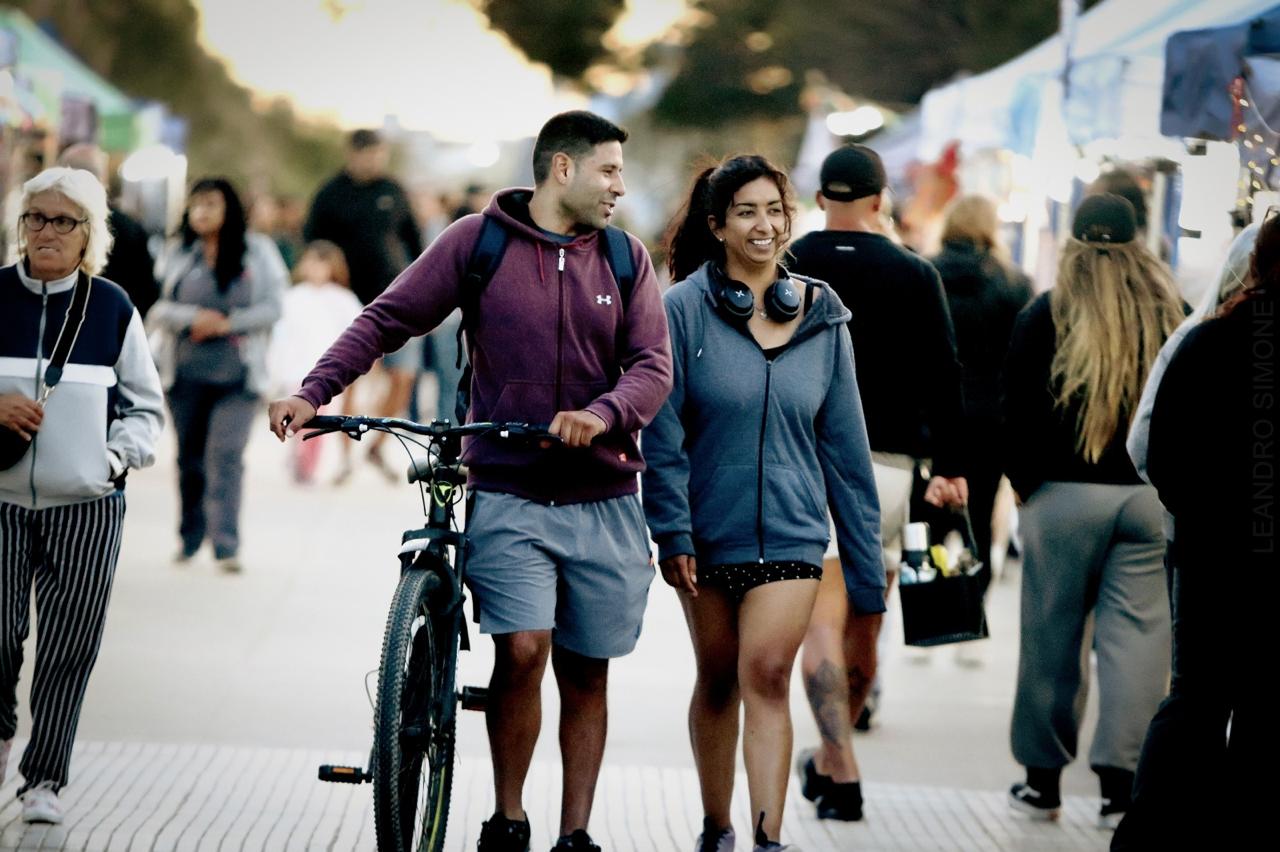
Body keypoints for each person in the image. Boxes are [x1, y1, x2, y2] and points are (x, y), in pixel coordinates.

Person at [268, 110, 672, 852]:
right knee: (521, 650)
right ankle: (508, 816)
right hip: (509, 488)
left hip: (605, 496)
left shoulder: (624, 258)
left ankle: (575, 833)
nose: (619, 185)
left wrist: (604, 413)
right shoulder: (475, 243)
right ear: (562, 169)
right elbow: (387, 320)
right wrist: (313, 391)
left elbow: (653, 365)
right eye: (609, 170)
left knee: (587, 671)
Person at [643, 155, 882, 852]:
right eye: (746, 211)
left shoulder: (824, 315)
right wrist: (672, 533)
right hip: (706, 536)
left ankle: (766, 838)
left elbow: (847, 450)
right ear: (717, 226)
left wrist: (866, 576)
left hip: (793, 534)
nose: (765, 224)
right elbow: (662, 439)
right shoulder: (680, 311)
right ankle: (717, 828)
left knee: (768, 674)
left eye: (775, 210)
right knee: (717, 679)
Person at [786, 144, 967, 815]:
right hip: (892, 469)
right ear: (879, 198)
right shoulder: (916, 273)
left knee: (820, 625)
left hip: (809, 463)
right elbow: (945, 376)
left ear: (821, 196)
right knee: (868, 618)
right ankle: (836, 763)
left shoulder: (792, 262)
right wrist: (950, 467)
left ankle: (840, 763)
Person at [1001, 194, 1184, 829]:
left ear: (1074, 243)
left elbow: (1014, 411)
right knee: (1139, 643)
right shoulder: (1171, 312)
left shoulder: (1044, 313)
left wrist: (1027, 487)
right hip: (1146, 497)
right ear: (1138, 243)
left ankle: (1042, 784)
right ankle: (1119, 790)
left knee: (1050, 640)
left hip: (1062, 496)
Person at [0, 166, 164, 823]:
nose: (46, 231)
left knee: (69, 646)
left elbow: (145, 410)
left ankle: (45, 780)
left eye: (62, 220)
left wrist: (111, 460)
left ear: (87, 233)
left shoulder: (112, 307)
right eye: (35, 217)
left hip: (87, 506)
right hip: (2, 502)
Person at [1111, 216, 1276, 850]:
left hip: (1210, 555)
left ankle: (1147, 832)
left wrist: (1197, 515)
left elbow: (1160, 448)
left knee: (1196, 697)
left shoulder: (1205, 341)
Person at [149, 177, 287, 573]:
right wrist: (194, 318)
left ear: (229, 209)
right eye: (196, 205)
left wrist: (229, 324)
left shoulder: (258, 251)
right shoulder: (179, 252)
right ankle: (190, 535)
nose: (202, 212)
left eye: (211, 203)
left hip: (238, 379)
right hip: (186, 375)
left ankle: (226, 543)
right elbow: (157, 307)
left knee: (225, 455)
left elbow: (275, 306)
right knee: (190, 460)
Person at [304, 129, 425, 476]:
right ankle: (345, 456)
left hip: (395, 299)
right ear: (351, 154)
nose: (373, 161)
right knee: (351, 380)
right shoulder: (330, 193)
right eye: (367, 154)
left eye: (378, 154)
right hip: (348, 302)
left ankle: (378, 447)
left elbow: (415, 242)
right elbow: (313, 244)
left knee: (404, 376)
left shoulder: (394, 190)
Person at [928, 194, 1033, 578]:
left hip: (933, 417)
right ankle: (972, 597)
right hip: (991, 419)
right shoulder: (1013, 283)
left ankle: (932, 592)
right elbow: (1023, 361)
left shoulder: (925, 273)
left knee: (929, 513)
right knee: (982, 511)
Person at [267, 240, 363, 484]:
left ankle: (309, 465)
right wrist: (276, 365)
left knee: (318, 419)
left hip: (327, 371)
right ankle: (296, 456)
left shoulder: (343, 299)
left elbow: (357, 333)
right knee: (295, 415)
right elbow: (281, 334)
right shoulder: (293, 297)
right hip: (296, 367)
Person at [56, 143, 159, 318]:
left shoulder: (45, 224)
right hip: (110, 331)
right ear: (102, 179)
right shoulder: (129, 228)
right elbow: (147, 293)